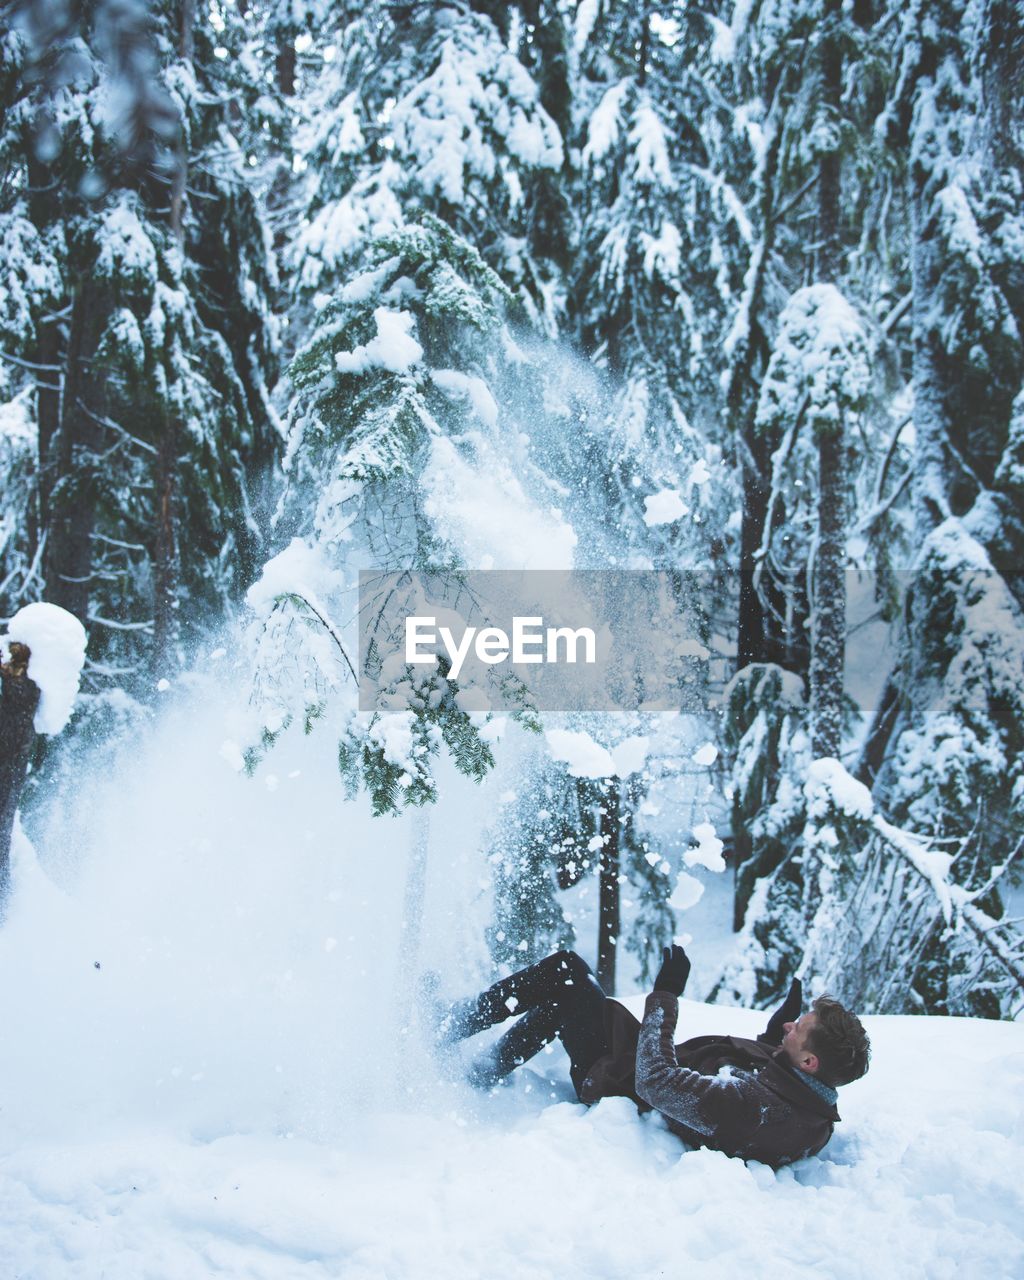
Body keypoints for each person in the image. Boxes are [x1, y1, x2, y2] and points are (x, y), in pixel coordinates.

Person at [432, 945, 870, 1168]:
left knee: (566, 976)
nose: (792, 1031)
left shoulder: (757, 1110)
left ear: (810, 1061)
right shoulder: (806, 1094)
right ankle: (476, 1060)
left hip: (617, 1083)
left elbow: (657, 1083)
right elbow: (760, 1068)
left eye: (801, 1032)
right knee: (565, 997)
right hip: (633, 1056)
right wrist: (781, 1028)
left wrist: (665, 995)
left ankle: (448, 1029)